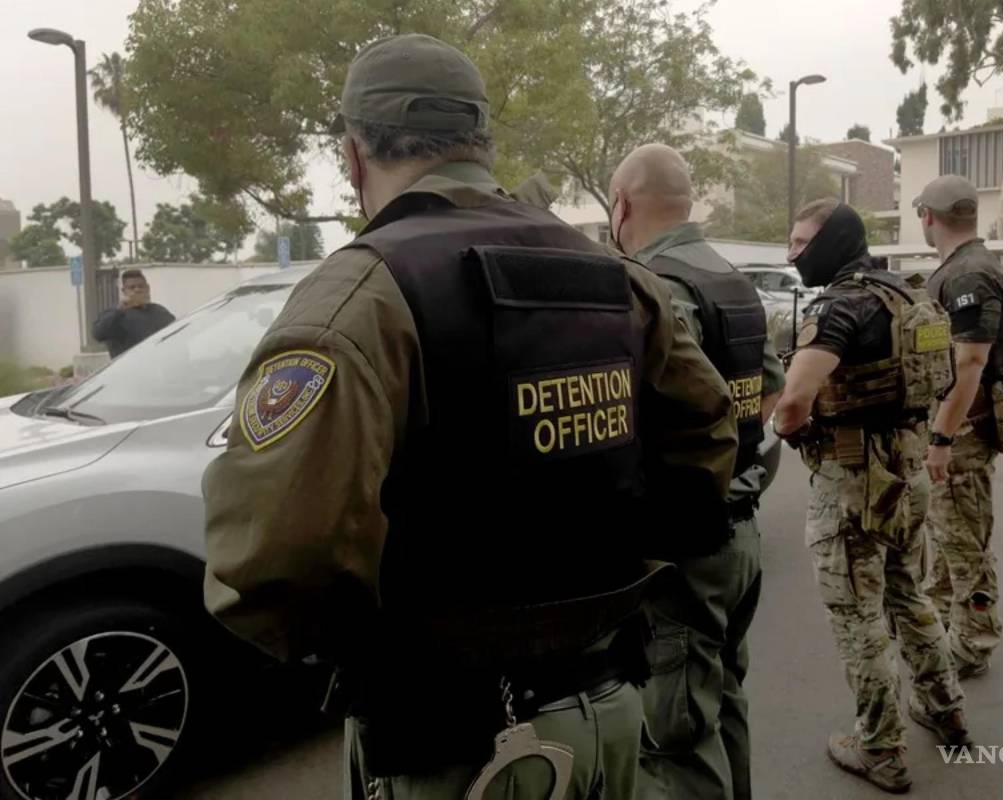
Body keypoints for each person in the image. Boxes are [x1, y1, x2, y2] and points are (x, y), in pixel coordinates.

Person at [202, 34, 740, 800]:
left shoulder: (362, 294)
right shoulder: (617, 277)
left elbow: (277, 556)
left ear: (353, 155)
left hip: (457, 744)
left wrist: (373, 652)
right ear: (480, 142)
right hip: (614, 711)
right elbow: (707, 438)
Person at [774, 199, 969, 794]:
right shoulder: (914, 297)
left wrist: (787, 429)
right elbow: (947, 376)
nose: (792, 254)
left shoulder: (841, 305)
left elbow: (793, 400)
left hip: (854, 481)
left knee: (856, 613)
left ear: (831, 242)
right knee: (908, 592)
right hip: (908, 470)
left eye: (801, 242)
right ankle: (945, 710)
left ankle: (880, 748)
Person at [609, 143, 784, 800]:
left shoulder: (655, 286)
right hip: (739, 535)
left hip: (685, 546)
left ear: (621, 205)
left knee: (676, 736)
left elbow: (645, 416)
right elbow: (768, 392)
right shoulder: (731, 280)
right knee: (724, 700)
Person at [914, 175, 1003, 680]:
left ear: (929, 217)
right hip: (962, 428)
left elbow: (971, 361)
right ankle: (939, 626)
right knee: (949, 534)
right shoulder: (965, 267)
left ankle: (973, 642)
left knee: (964, 542)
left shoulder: (968, 275)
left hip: (962, 433)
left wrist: (940, 438)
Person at [91, 269, 175, 357]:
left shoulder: (160, 311)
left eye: (141, 286)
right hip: (129, 368)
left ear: (148, 288)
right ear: (124, 291)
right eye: (132, 287)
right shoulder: (116, 314)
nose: (137, 290)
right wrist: (119, 310)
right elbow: (98, 334)